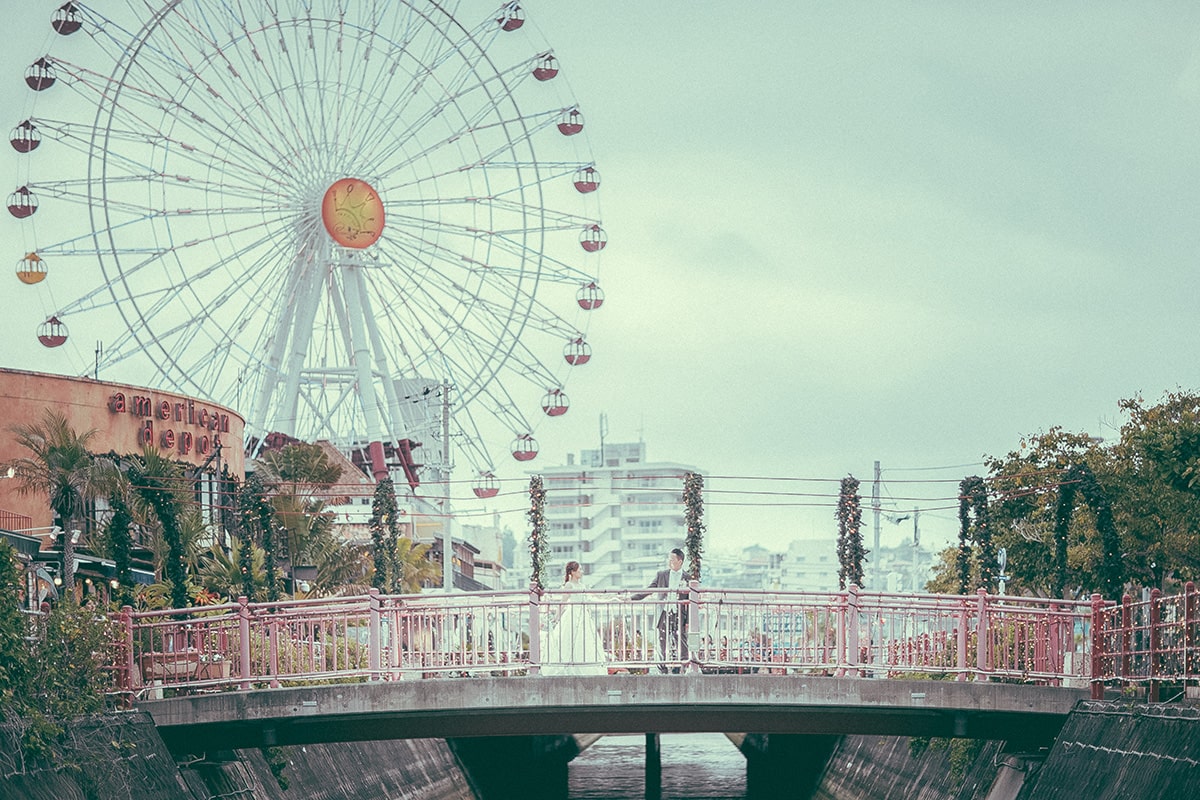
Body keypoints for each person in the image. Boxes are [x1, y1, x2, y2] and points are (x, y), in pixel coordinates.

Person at [541, 561, 608, 676]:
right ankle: (570, 666)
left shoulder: (582, 585)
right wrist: (557, 617)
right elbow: (563, 602)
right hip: (572, 614)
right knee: (570, 640)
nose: (581, 572)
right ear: (572, 572)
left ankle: (584, 666)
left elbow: (588, 598)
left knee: (585, 640)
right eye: (579, 569)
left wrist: (606, 600)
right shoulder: (569, 585)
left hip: (583, 614)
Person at [635, 548, 692, 673]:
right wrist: (633, 598)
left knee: (680, 640)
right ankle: (663, 668)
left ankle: (681, 666)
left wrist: (687, 620)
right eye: (669, 559)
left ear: (680, 561)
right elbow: (649, 589)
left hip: (679, 613)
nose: (669, 562)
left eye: (672, 559)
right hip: (664, 611)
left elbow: (690, 600)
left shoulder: (688, 578)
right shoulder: (662, 575)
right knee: (662, 640)